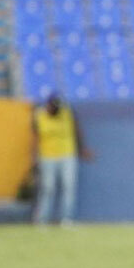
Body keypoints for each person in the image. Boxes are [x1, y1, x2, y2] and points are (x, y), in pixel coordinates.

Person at [31, 92, 93, 225]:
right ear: (48, 104)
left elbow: (77, 131)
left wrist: (82, 149)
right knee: (48, 188)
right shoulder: (39, 115)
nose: (55, 110)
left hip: (67, 154)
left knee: (69, 187)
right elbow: (35, 138)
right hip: (47, 156)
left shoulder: (67, 113)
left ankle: (67, 218)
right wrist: (34, 157)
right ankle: (42, 219)